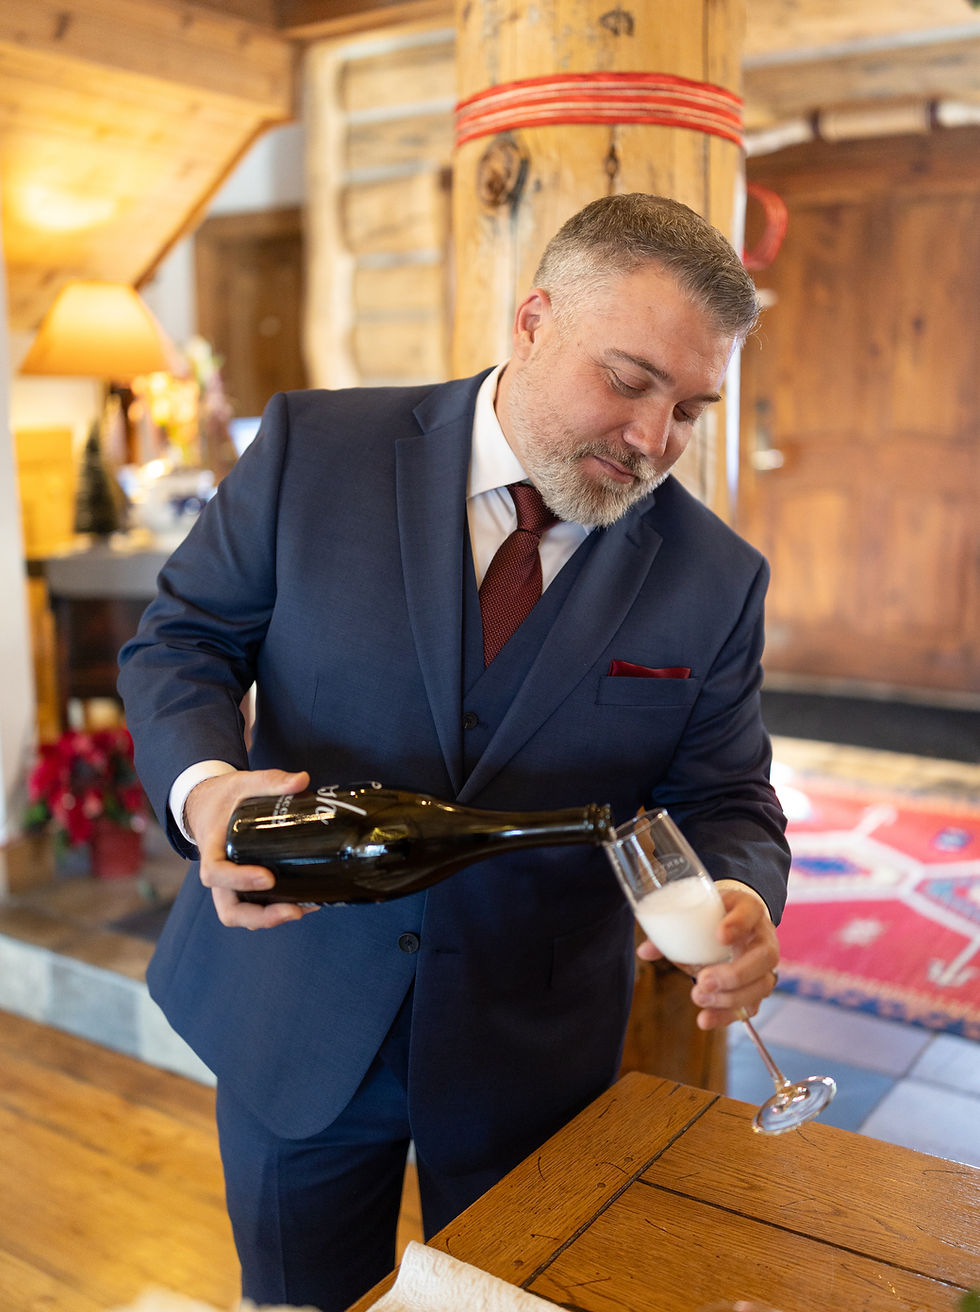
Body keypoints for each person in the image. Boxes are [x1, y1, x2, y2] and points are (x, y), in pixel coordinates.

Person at [118, 193, 790, 1312]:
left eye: (690, 407)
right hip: (296, 1008)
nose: (652, 440)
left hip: (528, 1049)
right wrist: (205, 793)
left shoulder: (715, 580)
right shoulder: (310, 448)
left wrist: (735, 892)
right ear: (530, 321)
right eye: (627, 381)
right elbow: (180, 642)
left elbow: (725, 794)